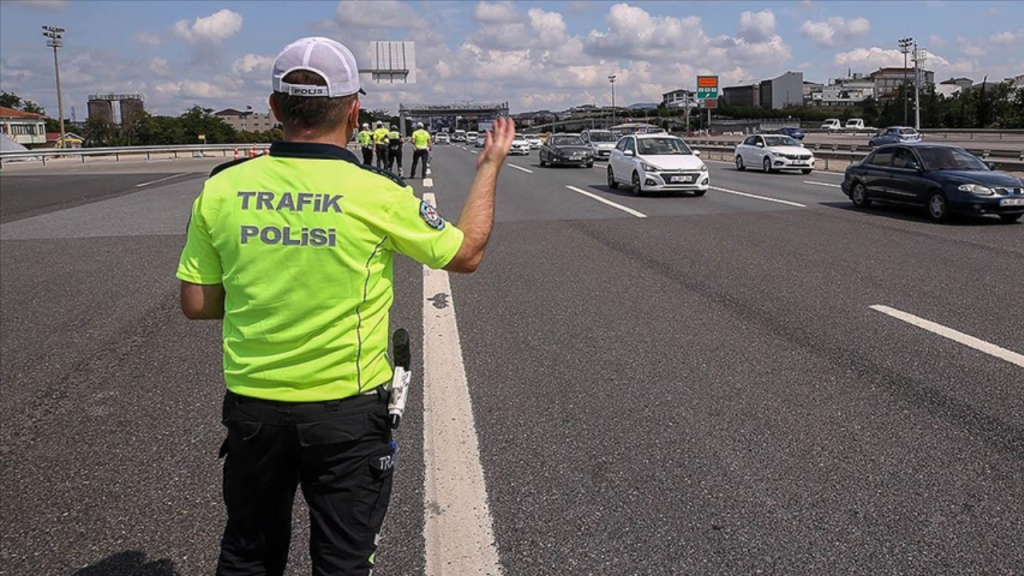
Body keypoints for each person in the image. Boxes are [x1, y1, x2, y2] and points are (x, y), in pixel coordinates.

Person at [175, 35, 515, 576]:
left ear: (273, 108)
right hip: (346, 412)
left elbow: (196, 303)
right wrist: (490, 165)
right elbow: (466, 252)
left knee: (247, 554)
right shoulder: (376, 193)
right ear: (355, 110)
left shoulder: (222, 189)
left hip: (253, 411)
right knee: (343, 561)